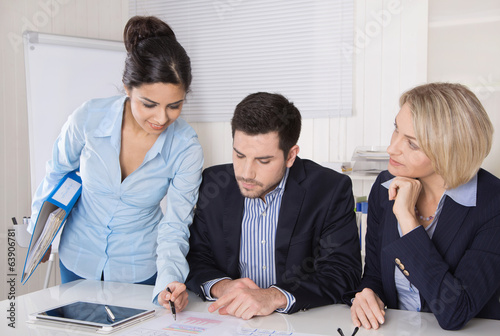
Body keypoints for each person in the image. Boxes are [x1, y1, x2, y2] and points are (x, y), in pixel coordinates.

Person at [29, 16, 203, 312]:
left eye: (174, 106)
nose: (161, 118)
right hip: (78, 257)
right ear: (127, 88)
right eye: (149, 104)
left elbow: (175, 223)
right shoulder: (88, 118)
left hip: (139, 267)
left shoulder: (185, 146)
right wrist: (40, 231)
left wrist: (169, 280)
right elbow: (58, 171)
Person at [186, 92, 361, 319]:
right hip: (230, 320)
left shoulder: (329, 190)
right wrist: (222, 286)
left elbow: (342, 271)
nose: (246, 173)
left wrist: (273, 296)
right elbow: (196, 255)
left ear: (291, 156)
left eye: (263, 160)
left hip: (301, 322)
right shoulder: (213, 184)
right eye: (239, 156)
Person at [348, 82, 500, 330]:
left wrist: (408, 219)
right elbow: (375, 274)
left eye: (412, 144)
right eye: (396, 130)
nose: (392, 148)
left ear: (450, 151)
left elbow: (455, 312)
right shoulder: (385, 186)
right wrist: (367, 294)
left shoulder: (493, 204)